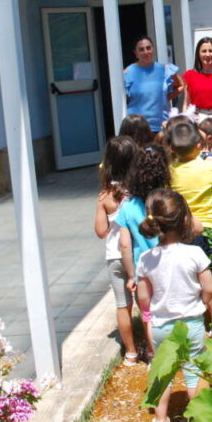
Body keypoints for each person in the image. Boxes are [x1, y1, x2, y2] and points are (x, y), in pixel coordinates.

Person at [135, 188, 212, 422]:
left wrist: (148, 320)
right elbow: (209, 289)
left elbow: (143, 298)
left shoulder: (146, 259)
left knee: (162, 375)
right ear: (185, 219)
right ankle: (197, 420)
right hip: (191, 323)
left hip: (161, 325)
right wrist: (209, 308)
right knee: (194, 371)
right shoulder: (195, 254)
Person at [117, 143, 170, 364]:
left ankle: (153, 354)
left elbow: (125, 245)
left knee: (148, 315)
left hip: (143, 269)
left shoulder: (127, 206)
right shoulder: (168, 201)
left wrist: (131, 275)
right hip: (169, 264)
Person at [94, 136, 137, 365]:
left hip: (114, 256)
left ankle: (130, 351)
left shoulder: (105, 197)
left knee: (122, 305)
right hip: (137, 255)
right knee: (146, 305)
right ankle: (151, 349)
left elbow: (101, 231)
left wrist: (111, 220)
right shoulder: (137, 192)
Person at [168, 121, 212, 257]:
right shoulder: (208, 167)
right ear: (199, 146)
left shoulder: (170, 171)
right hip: (210, 226)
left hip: (184, 229)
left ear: (172, 148)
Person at [124, 35, 184, 133]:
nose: (146, 52)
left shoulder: (165, 69)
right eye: (141, 49)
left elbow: (181, 86)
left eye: (148, 48)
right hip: (137, 127)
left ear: (153, 49)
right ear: (136, 53)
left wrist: (166, 97)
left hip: (161, 125)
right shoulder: (128, 72)